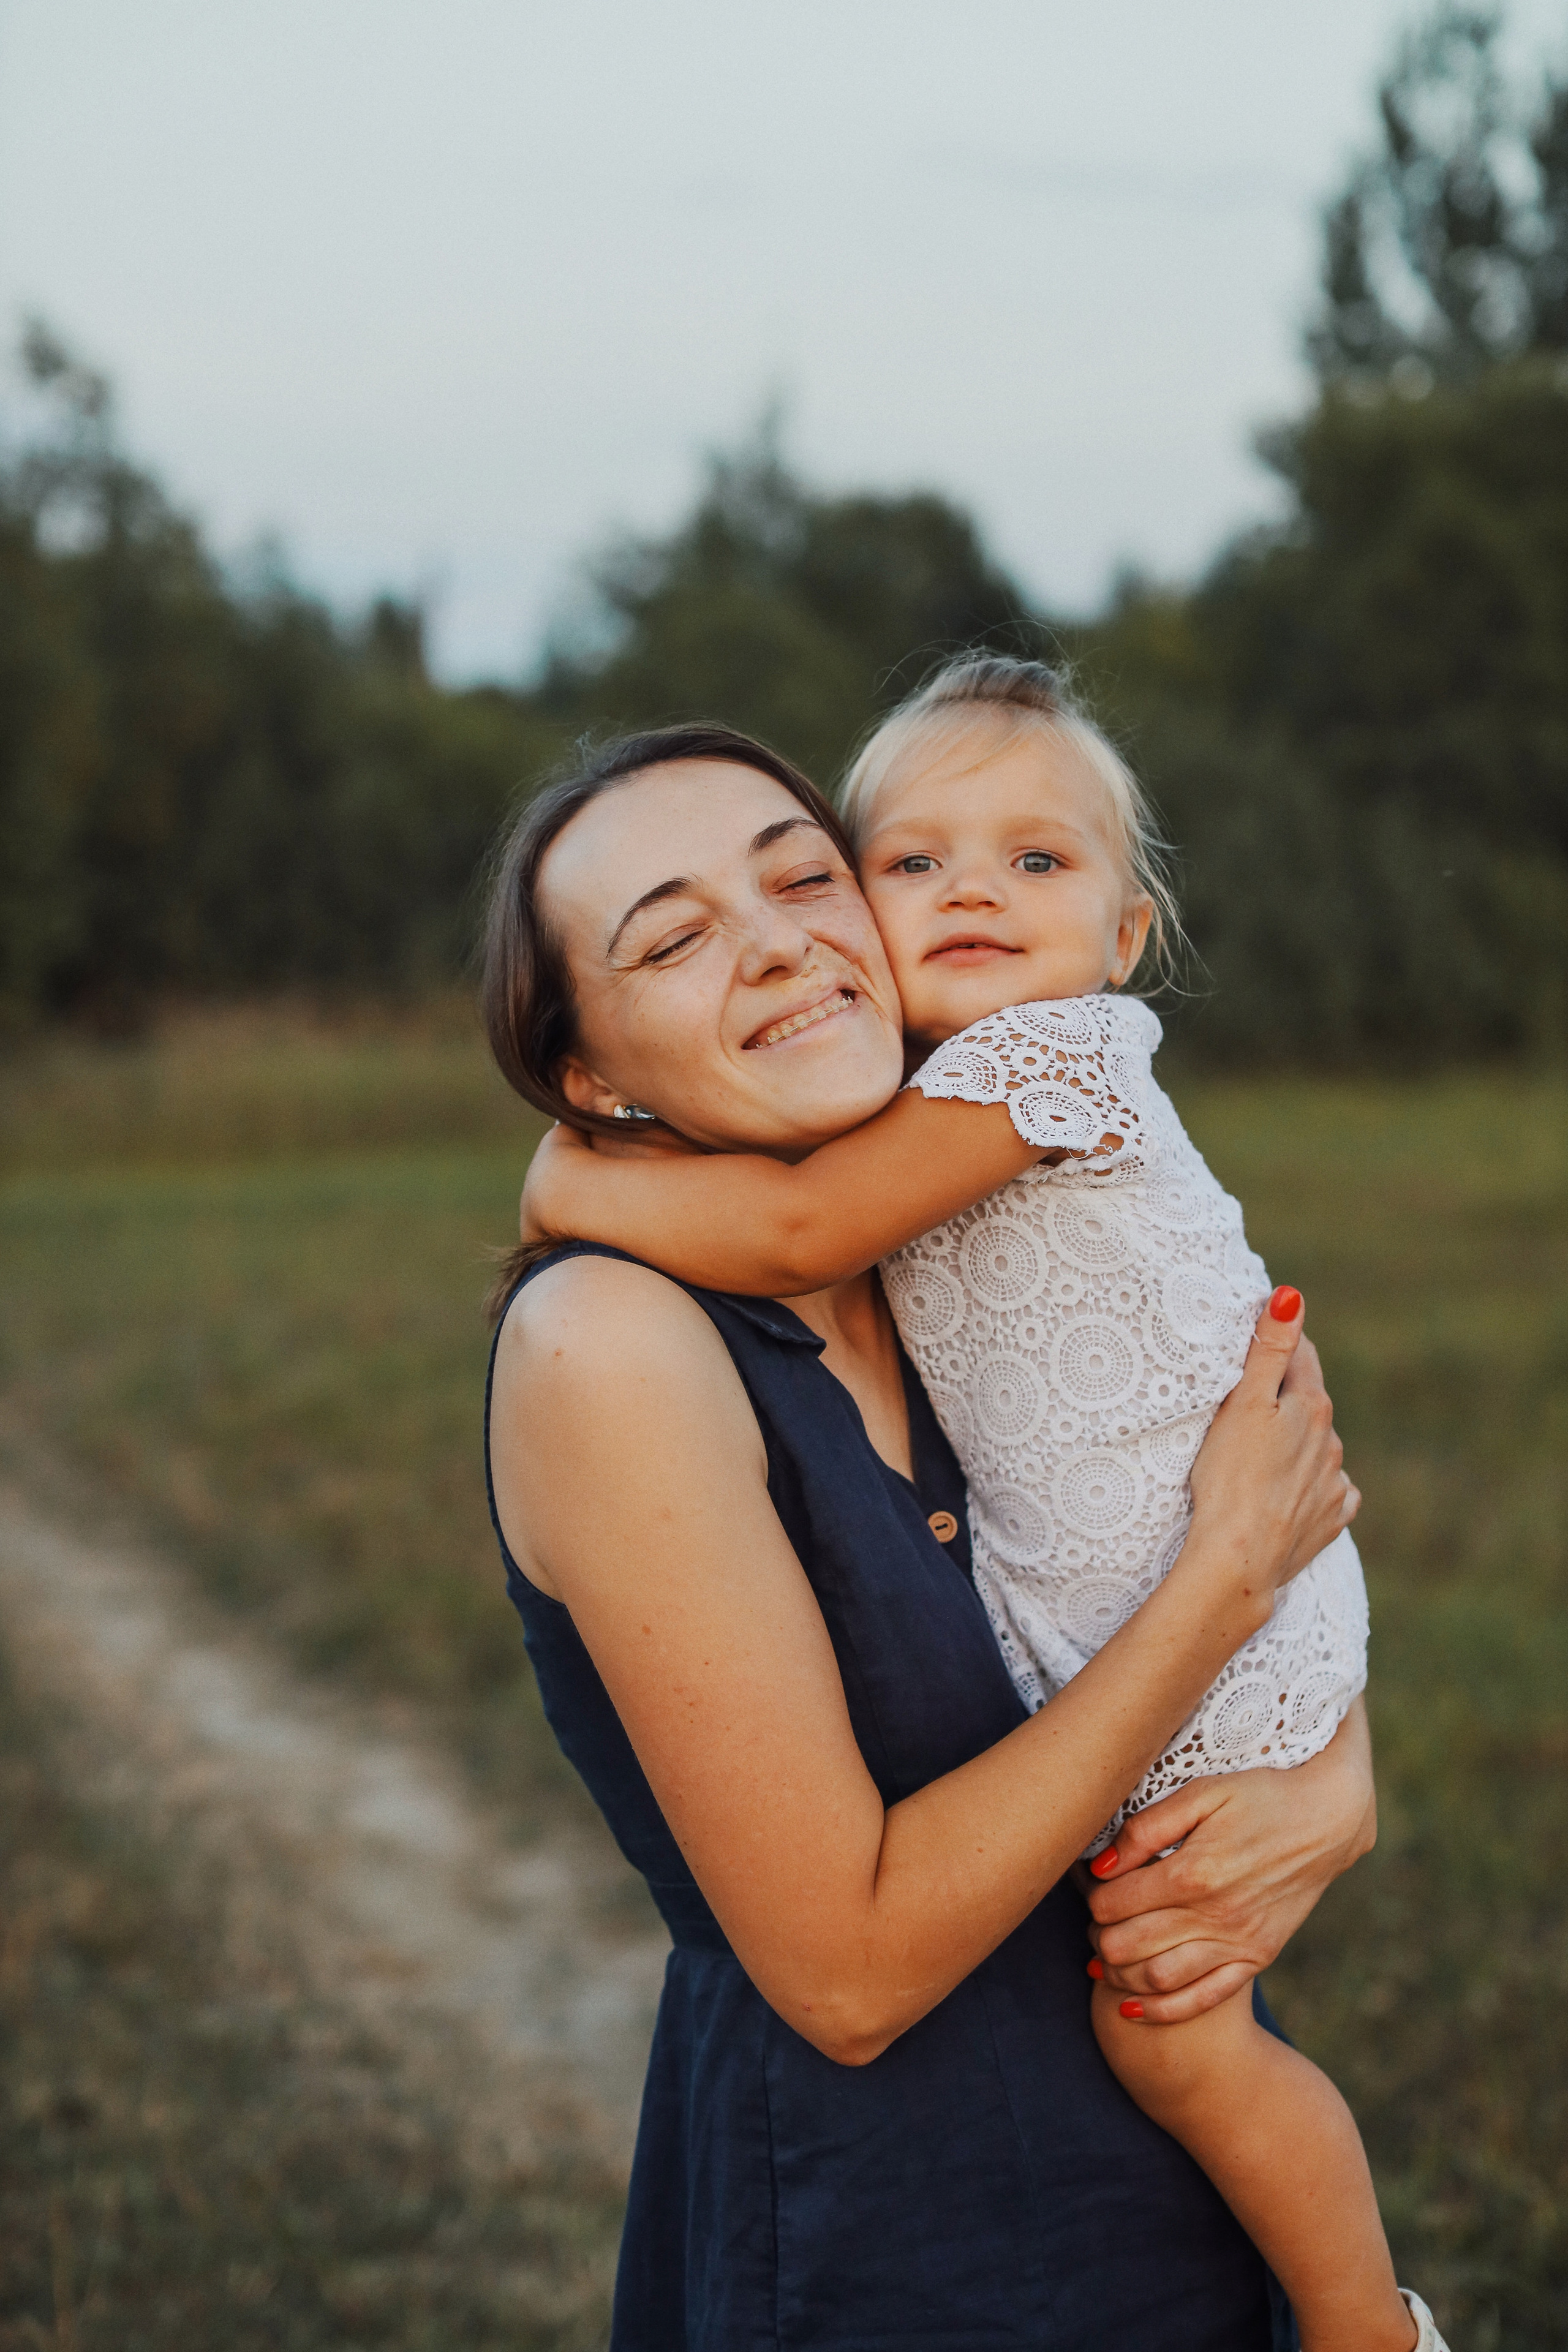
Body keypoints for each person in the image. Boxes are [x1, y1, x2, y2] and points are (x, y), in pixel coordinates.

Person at [519, 666, 1449, 2352]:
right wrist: (1227, 1593)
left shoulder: (931, 1214)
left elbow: (1219, 1481)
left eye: (803, 876)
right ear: (585, 1072)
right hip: (895, 2254)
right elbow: (853, 1974)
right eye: (669, 938)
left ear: (1125, 927)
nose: (788, 939)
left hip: (1141, 2210)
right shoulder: (620, 1341)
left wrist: (1332, 1770)